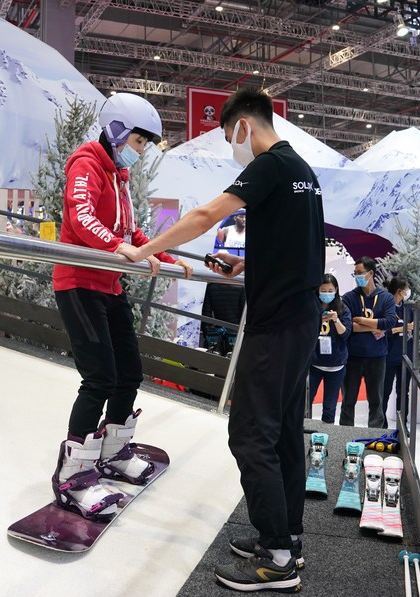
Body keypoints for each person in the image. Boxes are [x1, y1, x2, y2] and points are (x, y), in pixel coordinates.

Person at [116, 88, 324, 592]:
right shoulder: (302, 171)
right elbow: (296, 248)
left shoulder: (270, 165)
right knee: (281, 432)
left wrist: (144, 250)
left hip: (276, 325)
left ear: (244, 126)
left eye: (230, 135)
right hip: (299, 319)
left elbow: (206, 215)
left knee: (250, 434)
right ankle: (287, 537)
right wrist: (245, 265)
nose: (233, 146)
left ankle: (277, 560)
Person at [50, 93, 193, 521]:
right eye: (138, 140)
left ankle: (112, 452)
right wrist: (117, 247)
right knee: (99, 378)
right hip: (79, 284)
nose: (141, 149)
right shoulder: (87, 163)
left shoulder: (119, 175)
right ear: (116, 131)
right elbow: (80, 217)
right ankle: (72, 476)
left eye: (145, 143)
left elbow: (131, 233)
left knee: (129, 373)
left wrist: (165, 257)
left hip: (109, 286)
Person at [339, 257, 397, 428]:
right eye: (355, 273)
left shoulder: (386, 298)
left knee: (376, 402)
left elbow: (390, 322)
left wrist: (362, 320)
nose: (356, 276)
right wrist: (376, 326)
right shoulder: (349, 298)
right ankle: (344, 434)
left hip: (377, 357)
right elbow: (349, 326)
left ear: (371, 273)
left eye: (359, 273)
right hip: (352, 357)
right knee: (348, 401)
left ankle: (374, 436)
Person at [309, 273, 351, 424]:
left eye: (330, 291)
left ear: (336, 290)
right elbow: (304, 332)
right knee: (306, 400)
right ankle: (302, 429)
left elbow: (345, 334)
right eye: (323, 290)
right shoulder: (311, 307)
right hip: (314, 363)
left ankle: (326, 432)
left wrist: (336, 320)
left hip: (336, 365)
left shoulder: (343, 309)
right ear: (318, 290)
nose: (327, 294)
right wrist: (317, 320)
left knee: (329, 406)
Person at [382, 276, 414, 427]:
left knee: (403, 393)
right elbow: (381, 331)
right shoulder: (386, 307)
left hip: (405, 356)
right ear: (400, 291)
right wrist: (400, 329)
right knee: (384, 391)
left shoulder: (408, 308)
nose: (409, 291)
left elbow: (412, 329)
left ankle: (402, 425)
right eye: (407, 289)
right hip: (388, 355)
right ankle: (381, 425)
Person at [201, 282, 246, 355]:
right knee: (233, 359)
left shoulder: (211, 286)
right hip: (235, 332)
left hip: (216, 332)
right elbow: (244, 315)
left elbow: (206, 312)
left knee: (214, 359)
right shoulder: (241, 286)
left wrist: (206, 332)